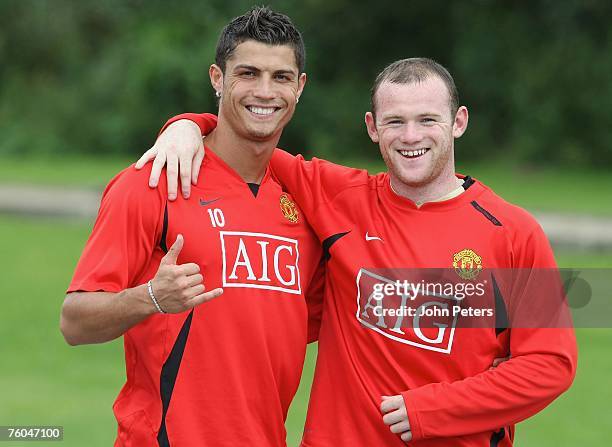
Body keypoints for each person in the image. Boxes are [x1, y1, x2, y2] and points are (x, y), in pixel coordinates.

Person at [140, 58, 577, 446]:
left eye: (427, 120)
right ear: (372, 127)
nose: (411, 137)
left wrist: (432, 411)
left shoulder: (514, 232)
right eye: (394, 122)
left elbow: (549, 365)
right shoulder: (341, 198)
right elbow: (248, 143)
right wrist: (188, 125)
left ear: (458, 121)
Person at [61, 7, 325, 447]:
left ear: (299, 87)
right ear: (217, 79)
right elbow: (74, 322)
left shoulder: (308, 201)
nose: (265, 91)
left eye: (280, 77)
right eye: (247, 73)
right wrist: (149, 298)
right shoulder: (152, 182)